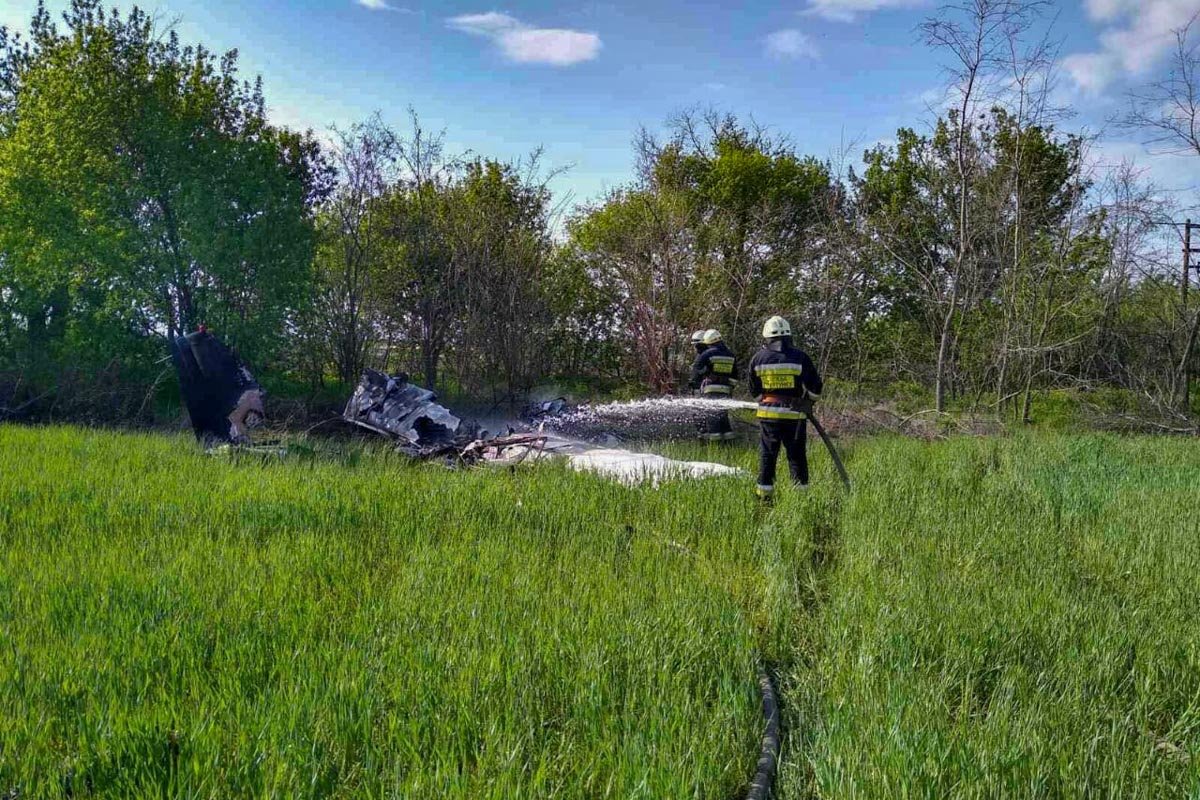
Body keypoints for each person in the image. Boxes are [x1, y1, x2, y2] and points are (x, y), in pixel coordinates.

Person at [748, 316, 822, 499]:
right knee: (796, 457)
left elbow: (754, 391)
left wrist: (766, 400)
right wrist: (809, 401)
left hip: (768, 415)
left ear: (767, 337)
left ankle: (764, 496)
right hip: (794, 416)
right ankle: (800, 497)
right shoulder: (800, 357)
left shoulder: (758, 358)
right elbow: (816, 387)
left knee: (768, 455)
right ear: (789, 335)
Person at [690, 329, 739, 441]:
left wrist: (708, 374)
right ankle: (729, 442)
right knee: (723, 416)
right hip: (725, 390)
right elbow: (735, 375)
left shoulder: (707, 354)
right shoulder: (731, 355)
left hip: (710, 389)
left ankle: (715, 445)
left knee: (712, 418)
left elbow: (697, 369)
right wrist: (729, 387)